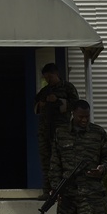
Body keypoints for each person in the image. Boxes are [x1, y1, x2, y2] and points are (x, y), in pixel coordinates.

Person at [34, 62, 79, 200]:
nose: (48, 80)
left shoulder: (67, 87)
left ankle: (61, 190)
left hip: (61, 130)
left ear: (56, 74)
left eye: (50, 77)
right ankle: (47, 191)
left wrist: (59, 100)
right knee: (46, 161)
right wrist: (42, 103)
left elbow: (76, 105)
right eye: (46, 78)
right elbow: (36, 107)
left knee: (61, 160)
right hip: (45, 131)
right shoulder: (44, 90)